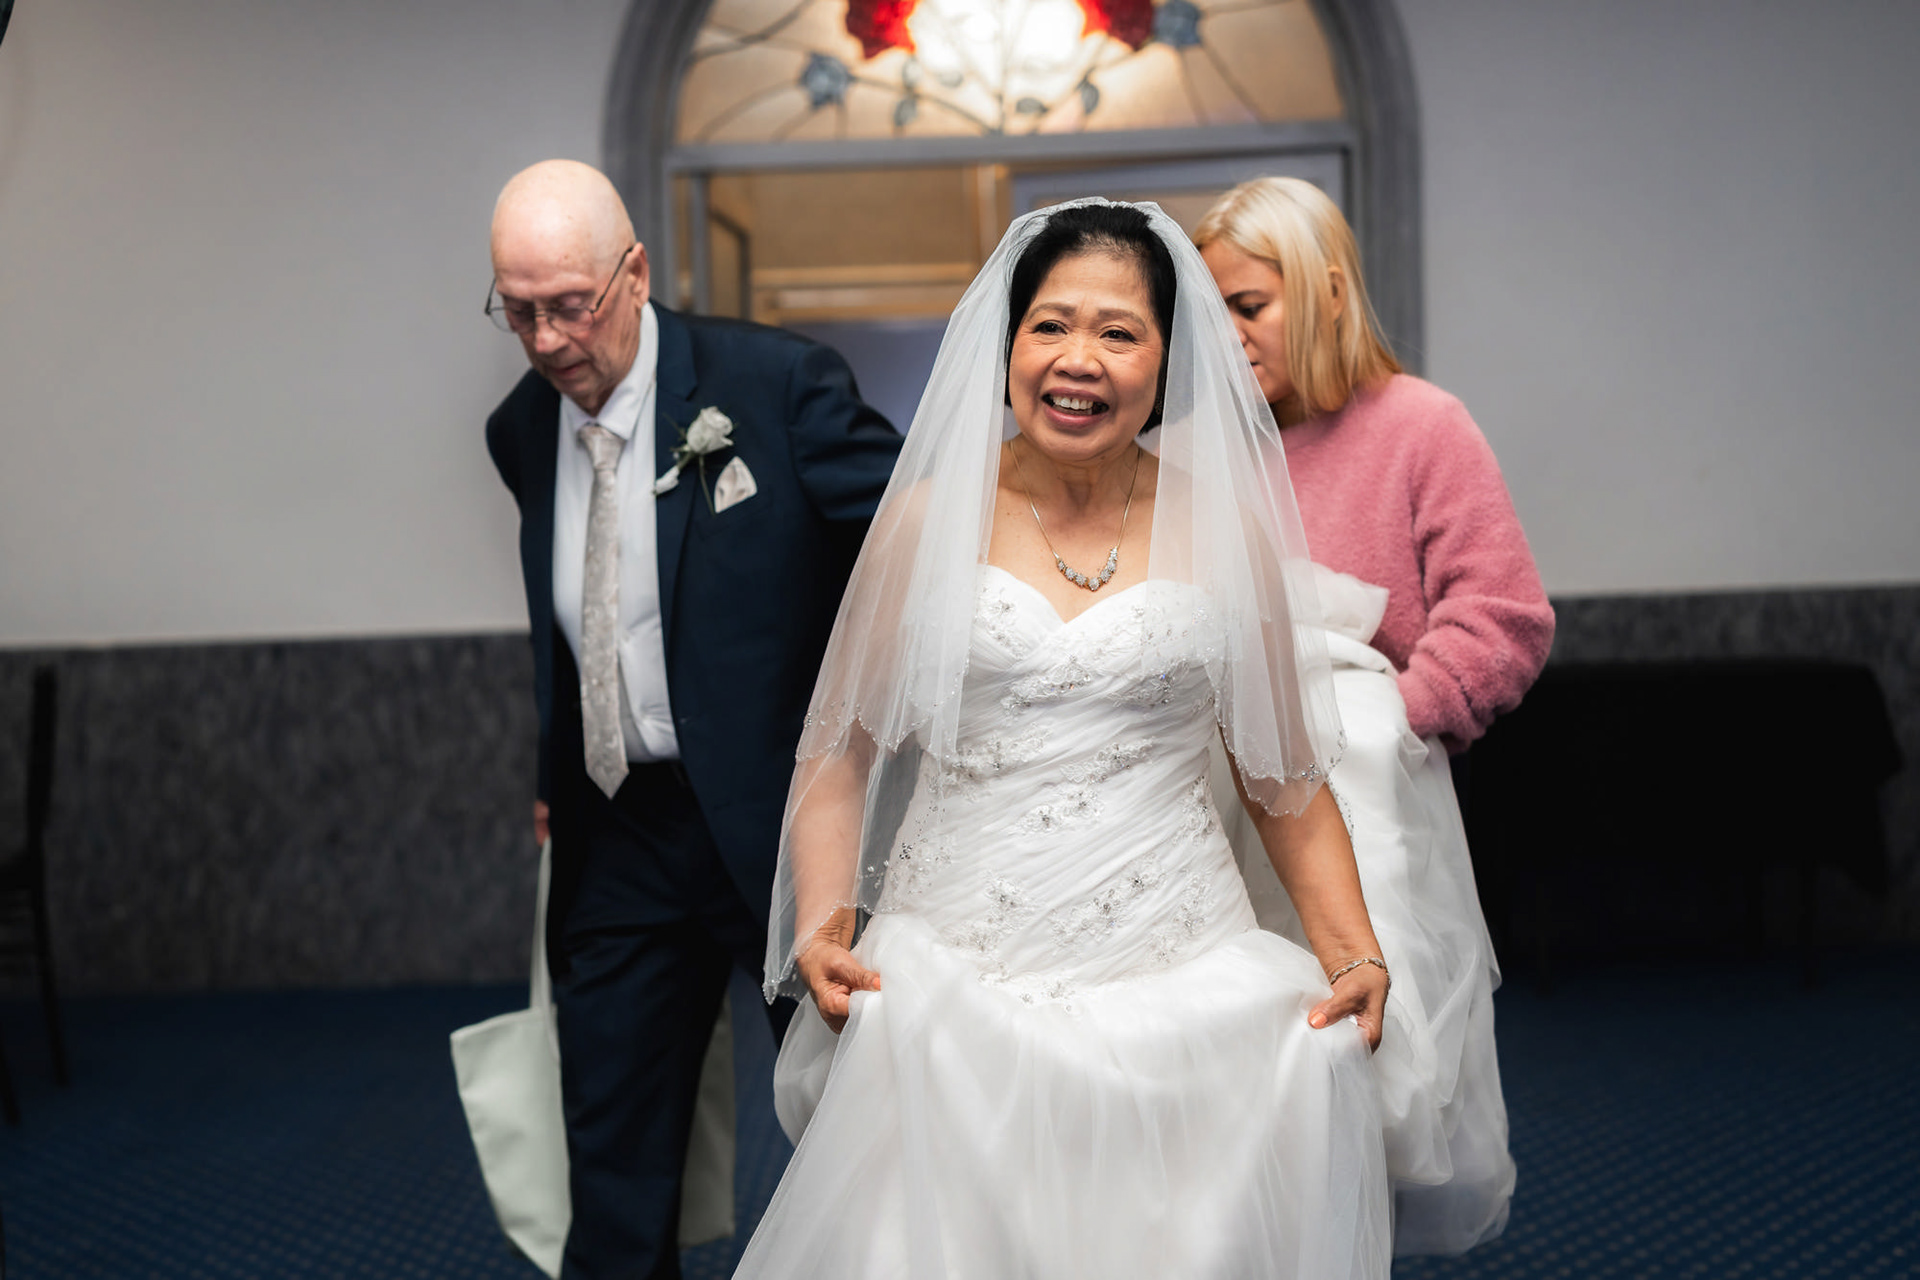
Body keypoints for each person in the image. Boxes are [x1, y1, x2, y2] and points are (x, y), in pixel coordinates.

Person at [732, 200, 1395, 1279]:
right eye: (1050, 325)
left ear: (1168, 360)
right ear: (1007, 346)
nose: (1077, 360)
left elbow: (1282, 778)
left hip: (1181, 965)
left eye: (1118, 332)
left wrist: (1353, 949)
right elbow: (837, 751)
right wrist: (823, 920)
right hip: (952, 975)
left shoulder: (1225, 525)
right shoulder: (924, 519)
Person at [482, 159, 900, 1279]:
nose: (546, 340)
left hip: (784, 828)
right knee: (612, 1146)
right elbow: (570, 619)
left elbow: (918, 540)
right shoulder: (521, 429)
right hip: (618, 828)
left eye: (571, 304)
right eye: (517, 310)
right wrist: (553, 769)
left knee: (854, 1124)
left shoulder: (776, 386)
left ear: (634, 273)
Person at [1194, 175, 1552, 1254]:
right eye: (1210, 312)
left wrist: (1389, 716)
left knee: (1359, 1072)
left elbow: (1503, 618)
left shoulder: (1421, 425)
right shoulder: (1195, 450)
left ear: (1328, 291)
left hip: (1367, 807)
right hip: (1213, 807)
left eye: (1249, 306)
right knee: (1226, 1093)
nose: (1227, 336)